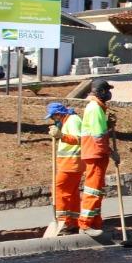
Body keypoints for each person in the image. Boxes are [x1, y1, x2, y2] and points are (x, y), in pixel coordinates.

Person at [78, 78, 118, 233]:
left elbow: (100, 129)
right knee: (93, 189)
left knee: (97, 189)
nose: (109, 94)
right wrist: (112, 153)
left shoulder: (98, 108)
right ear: (101, 92)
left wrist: (108, 125)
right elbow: (98, 136)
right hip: (95, 153)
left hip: (96, 153)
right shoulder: (94, 108)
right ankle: (86, 224)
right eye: (107, 91)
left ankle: (95, 222)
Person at [46, 101, 82, 235]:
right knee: (71, 192)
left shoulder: (73, 121)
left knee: (58, 189)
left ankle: (63, 222)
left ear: (58, 114)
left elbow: (79, 139)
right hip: (70, 163)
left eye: (53, 116)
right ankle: (73, 221)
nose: (52, 119)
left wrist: (61, 136)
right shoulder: (68, 121)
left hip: (71, 163)